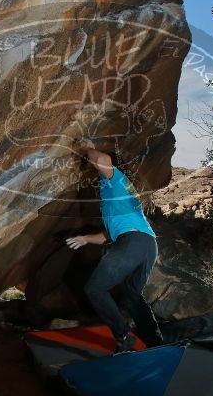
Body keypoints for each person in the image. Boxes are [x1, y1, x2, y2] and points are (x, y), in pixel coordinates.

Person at [66, 139, 163, 353]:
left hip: (133, 242)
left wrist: (86, 148)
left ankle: (123, 336)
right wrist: (85, 239)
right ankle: (155, 340)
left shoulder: (115, 180)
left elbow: (102, 159)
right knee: (131, 296)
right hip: (147, 244)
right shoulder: (119, 193)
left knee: (95, 288)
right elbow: (108, 235)